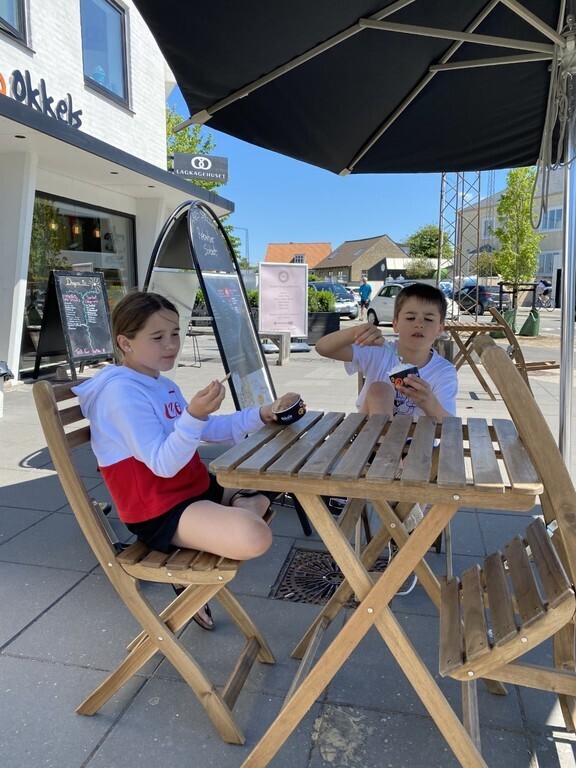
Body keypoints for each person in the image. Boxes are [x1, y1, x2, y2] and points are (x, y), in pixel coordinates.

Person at [74, 291, 297, 631]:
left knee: (278, 471)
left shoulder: (160, 383)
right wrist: (193, 415)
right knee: (255, 536)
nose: (171, 344)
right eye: (157, 337)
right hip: (160, 510)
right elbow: (163, 463)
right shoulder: (120, 394)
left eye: (175, 333)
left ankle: (242, 503)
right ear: (125, 342)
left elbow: (208, 428)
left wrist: (262, 414)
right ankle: (242, 505)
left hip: (194, 489)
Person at [316, 283, 458, 594]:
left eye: (428, 319)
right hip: (373, 442)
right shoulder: (380, 353)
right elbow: (323, 348)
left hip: (416, 449)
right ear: (394, 323)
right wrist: (357, 332)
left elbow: (448, 425)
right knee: (380, 388)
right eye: (410, 317)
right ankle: (404, 513)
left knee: (416, 467)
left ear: (441, 328)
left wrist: (427, 401)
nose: (418, 324)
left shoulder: (444, 372)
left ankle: (403, 545)